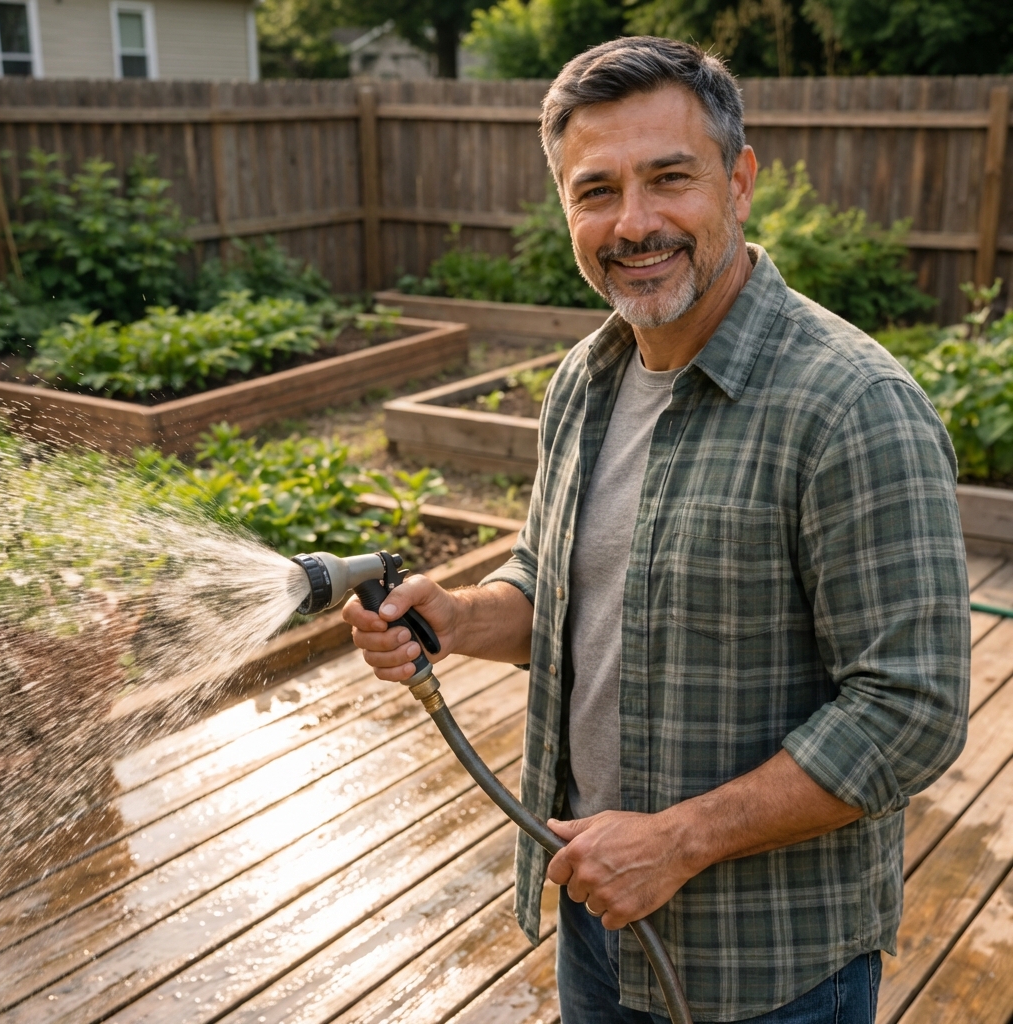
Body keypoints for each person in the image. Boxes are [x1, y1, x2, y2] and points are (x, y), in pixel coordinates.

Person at [342, 36, 970, 1024]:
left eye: (667, 178)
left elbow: (912, 709)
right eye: (595, 191)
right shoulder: (585, 381)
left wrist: (678, 839)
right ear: (564, 207)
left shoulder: (850, 405)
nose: (632, 223)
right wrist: (458, 618)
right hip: (599, 921)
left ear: (739, 180)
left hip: (769, 968)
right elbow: (559, 585)